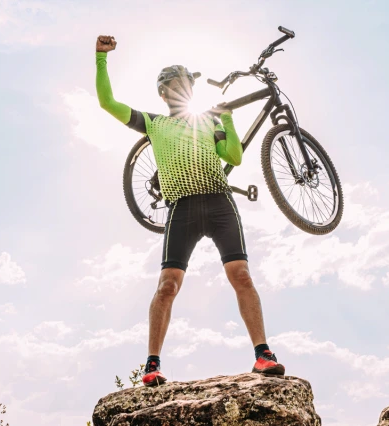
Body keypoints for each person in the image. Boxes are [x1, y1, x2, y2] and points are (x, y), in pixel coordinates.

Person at [94, 35, 285, 386]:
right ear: (164, 94)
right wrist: (101, 58)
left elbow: (234, 157)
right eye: (174, 86)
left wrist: (226, 121)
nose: (181, 90)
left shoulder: (208, 122)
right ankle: (152, 365)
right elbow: (107, 102)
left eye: (186, 85)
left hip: (218, 201)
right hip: (181, 208)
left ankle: (263, 355)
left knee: (241, 275)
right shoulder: (154, 123)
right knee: (167, 285)